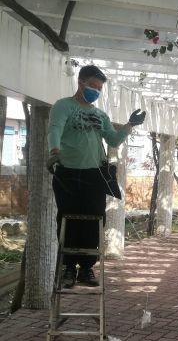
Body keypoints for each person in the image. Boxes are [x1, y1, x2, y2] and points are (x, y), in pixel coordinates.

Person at [47, 64, 146, 288]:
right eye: (93, 86)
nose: (96, 91)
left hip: (94, 175)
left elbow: (113, 140)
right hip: (68, 173)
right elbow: (55, 128)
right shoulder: (63, 106)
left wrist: (129, 125)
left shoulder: (100, 115)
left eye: (99, 88)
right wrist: (54, 151)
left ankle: (87, 268)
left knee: (94, 219)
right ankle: (68, 268)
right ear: (80, 81)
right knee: (68, 219)